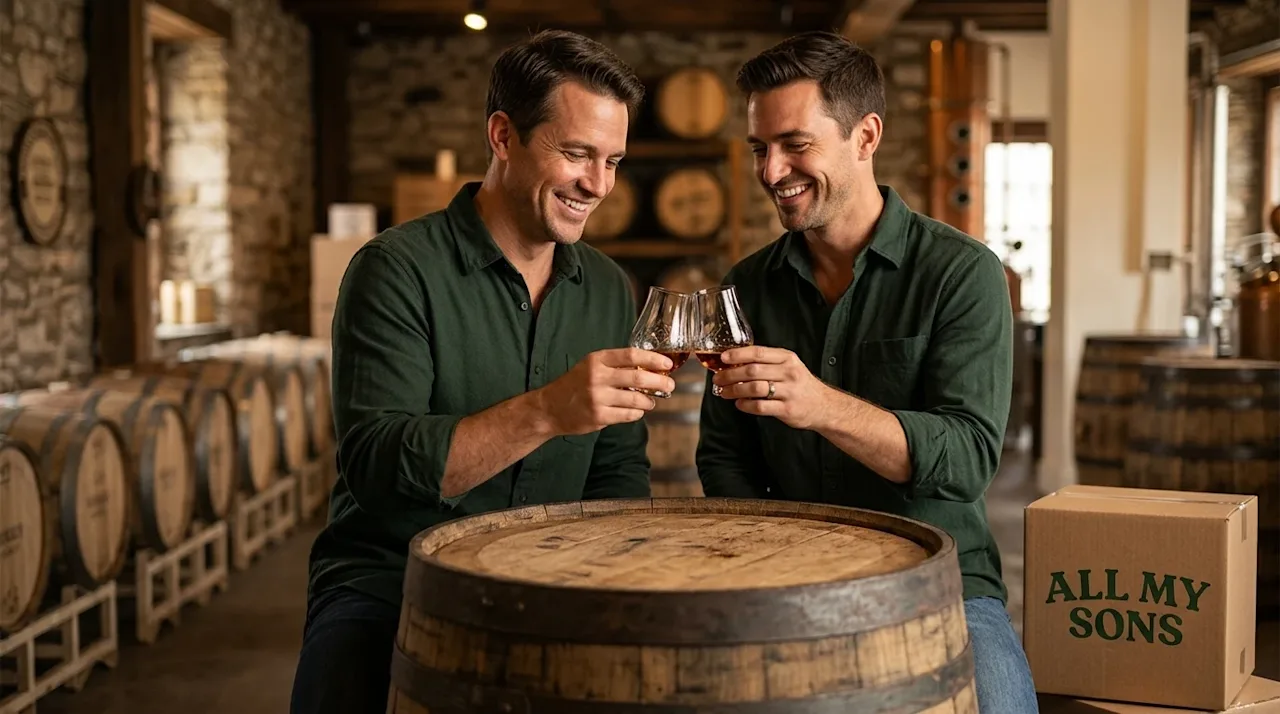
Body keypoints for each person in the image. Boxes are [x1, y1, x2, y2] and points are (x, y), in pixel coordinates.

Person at [290, 30, 676, 714]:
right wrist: (548, 411)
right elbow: (378, 468)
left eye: (613, 160)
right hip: (394, 580)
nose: (599, 185)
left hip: (553, 582)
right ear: (503, 136)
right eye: (577, 154)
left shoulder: (610, 289)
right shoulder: (395, 271)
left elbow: (618, 470)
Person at [694, 31, 1038, 713]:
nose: (770, 171)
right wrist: (775, 566)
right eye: (760, 149)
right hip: (785, 585)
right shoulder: (747, 286)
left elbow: (967, 459)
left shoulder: (962, 274)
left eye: (795, 144)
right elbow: (723, 456)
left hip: (942, 582)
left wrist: (819, 405)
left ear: (866, 136)